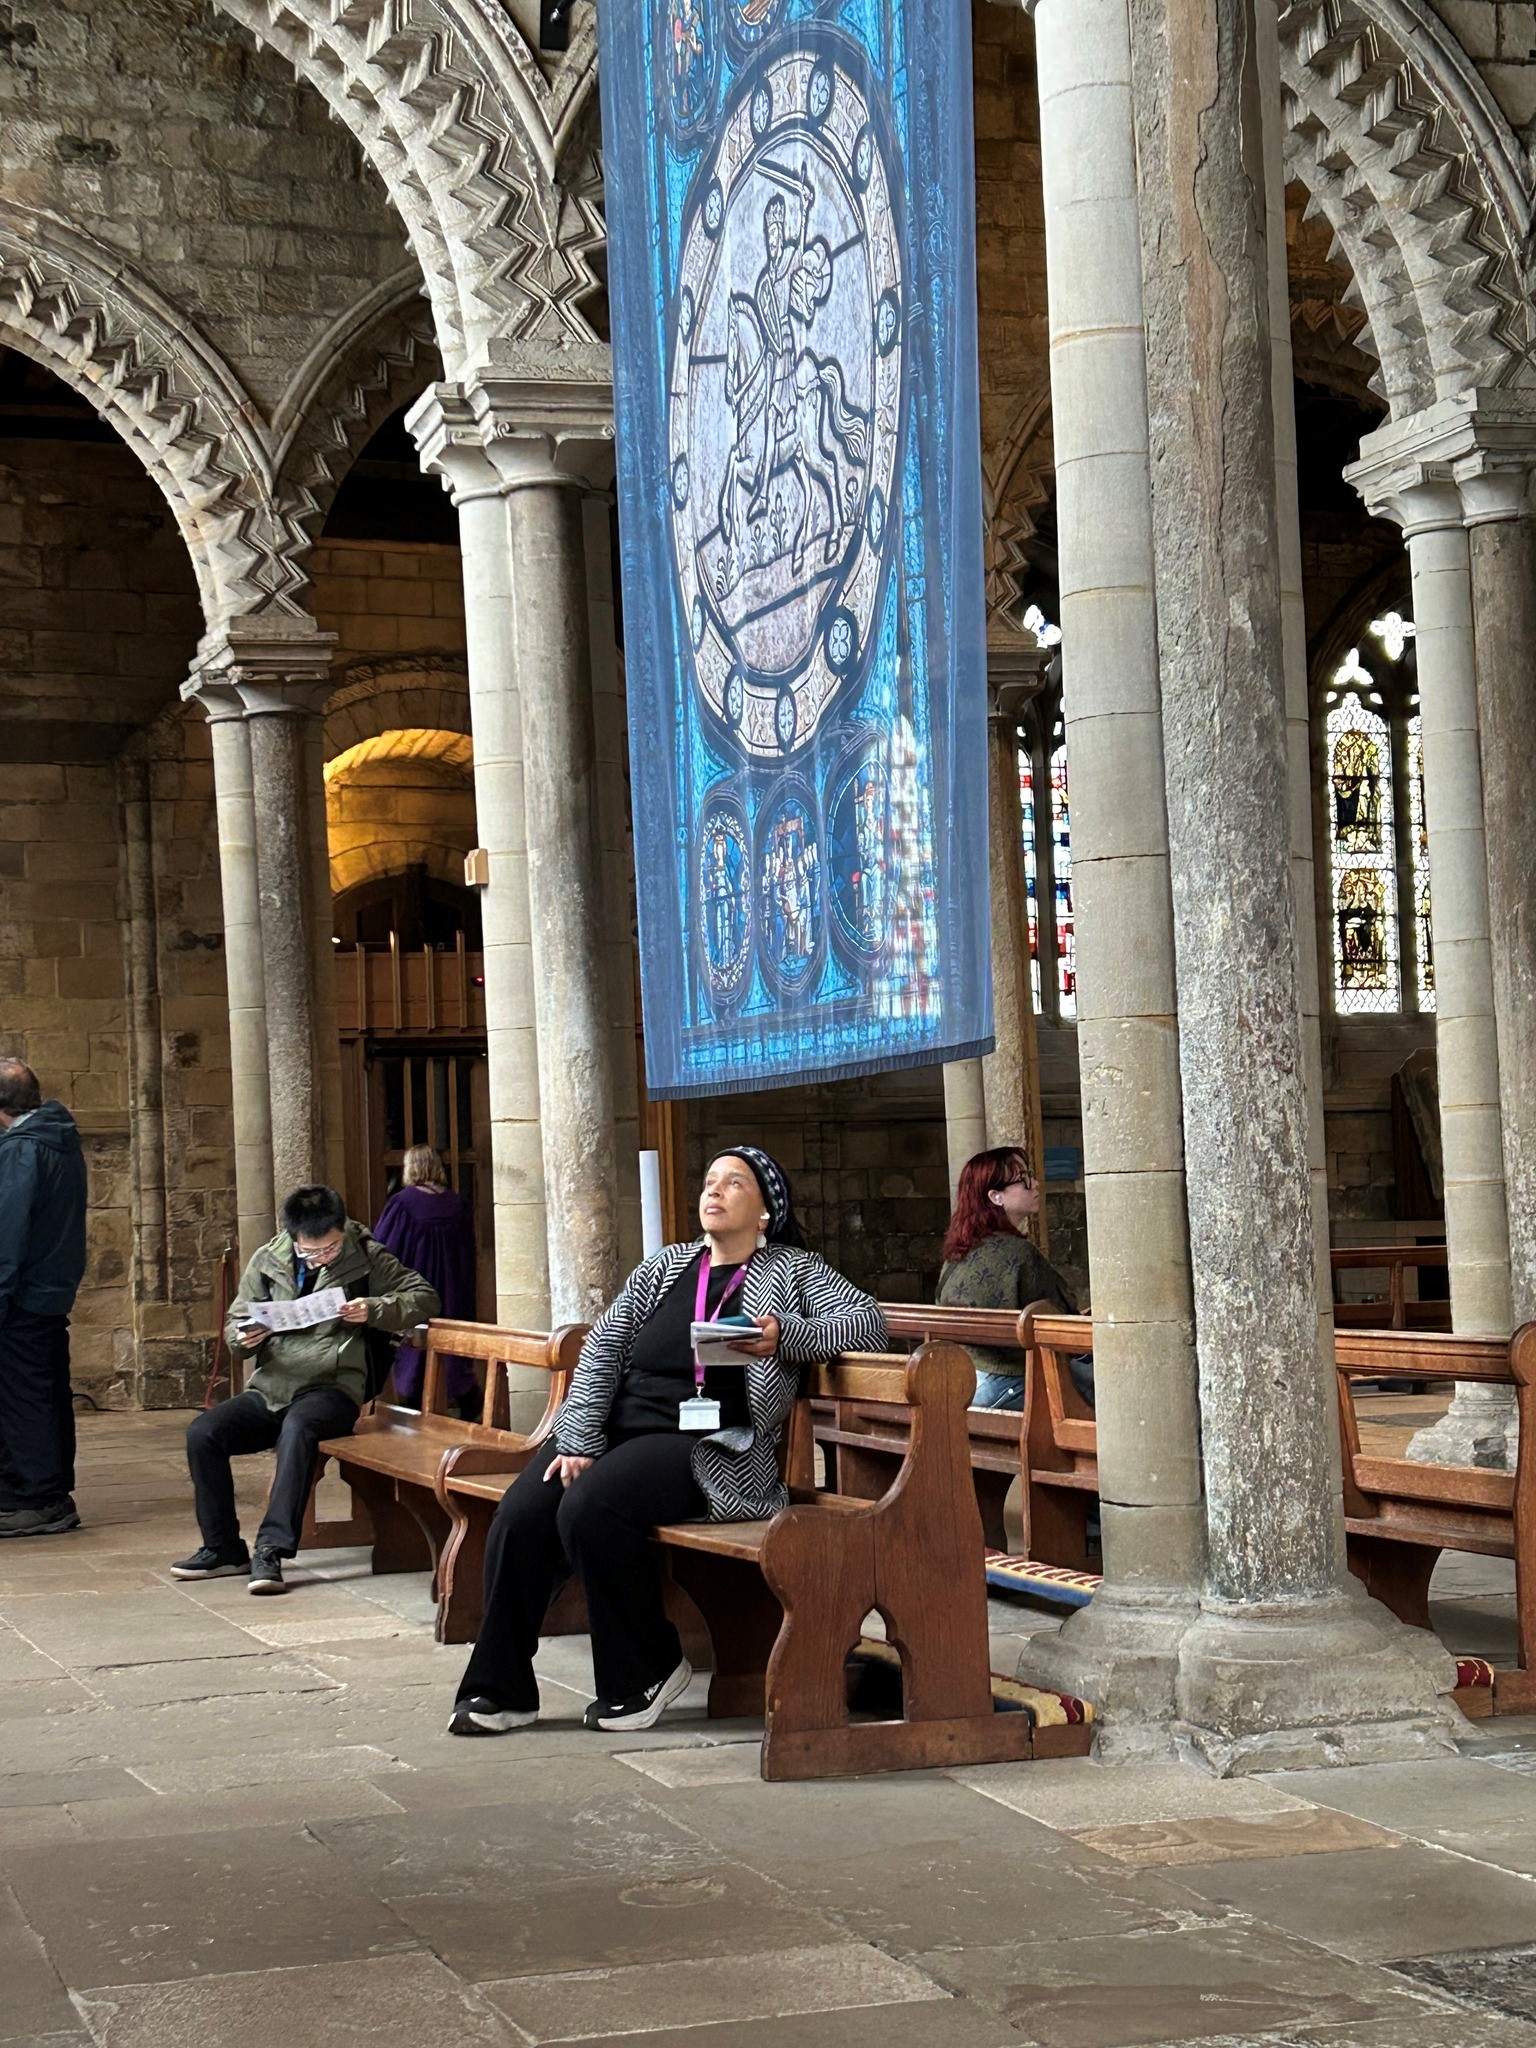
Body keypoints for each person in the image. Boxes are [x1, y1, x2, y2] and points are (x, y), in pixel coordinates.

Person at [449, 1145, 887, 1737]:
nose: (714, 1191)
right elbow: (604, 1346)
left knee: (590, 1507)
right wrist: (577, 1437)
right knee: (522, 1514)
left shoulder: (793, 1270)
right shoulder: (668, 1266)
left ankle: (646, 1667)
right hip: (617, 1431)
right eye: (710, 1181)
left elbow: (867, 1322)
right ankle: (499, 1689)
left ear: (765, 1211)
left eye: (734, 1183)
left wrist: (785, 1336)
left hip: (714, 1446)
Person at [171, 1185, 439, 1595]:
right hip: (272, 1386)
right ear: (294, 1237)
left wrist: (374, 1309)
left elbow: (424, 1296)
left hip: (333, 1388)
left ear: (341, 1230)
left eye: (330, 1249)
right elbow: (235, 1325)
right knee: (203, 1433)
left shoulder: (366, 1254)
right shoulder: (268, 1260)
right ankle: (223, 1547)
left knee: (298, 1428)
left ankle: (270, 1550)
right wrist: (246, 1338)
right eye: (312, 1252)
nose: (322, 1257)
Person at [0, 1060, 88, 1538]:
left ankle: (37, 1498)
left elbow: (7, 1235)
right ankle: (48, 1492)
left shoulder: (23, 1150)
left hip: (23, 1296)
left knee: (24, 1401)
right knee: (47, 1393)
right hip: (50, 1291)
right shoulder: (59, 1138)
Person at [937, 1147, 1077, 1411]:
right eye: (1024, 1179)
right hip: (1006, 1384)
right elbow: (1065, 1316)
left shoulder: (956, 1255)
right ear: (996, 1196)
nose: (1035, 1184)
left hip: (963, 1381)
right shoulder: (1020, 1254)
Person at [372, 1146, 479, 1414]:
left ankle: (414, 1407)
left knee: (412, 1350)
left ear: (410, 1167)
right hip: (452, 1288)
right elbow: (468, 1251)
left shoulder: (403, 1203)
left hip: (417, 1284)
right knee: (452, 1348)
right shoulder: (456, 1203)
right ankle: (468, 1401)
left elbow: (384, 1248)